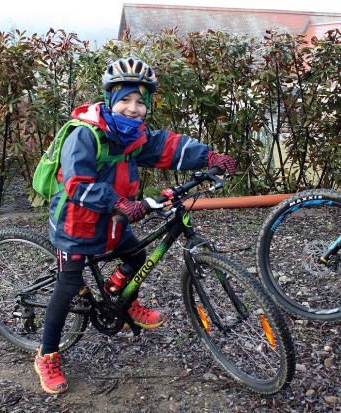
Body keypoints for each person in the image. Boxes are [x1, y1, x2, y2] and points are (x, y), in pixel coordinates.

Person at [34, 57, 236, 394]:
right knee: (68, 286)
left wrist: (209, 157)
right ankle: (47, 353)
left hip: (113, 220)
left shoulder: (133, 136)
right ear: (112, 100)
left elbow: (167, 146)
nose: (133, 108)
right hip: (76, 222)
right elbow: (77, 183)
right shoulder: (85, 135)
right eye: (126, 99)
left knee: (138, 257)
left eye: (140, 101)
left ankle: (121, 299)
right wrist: (118, 202)